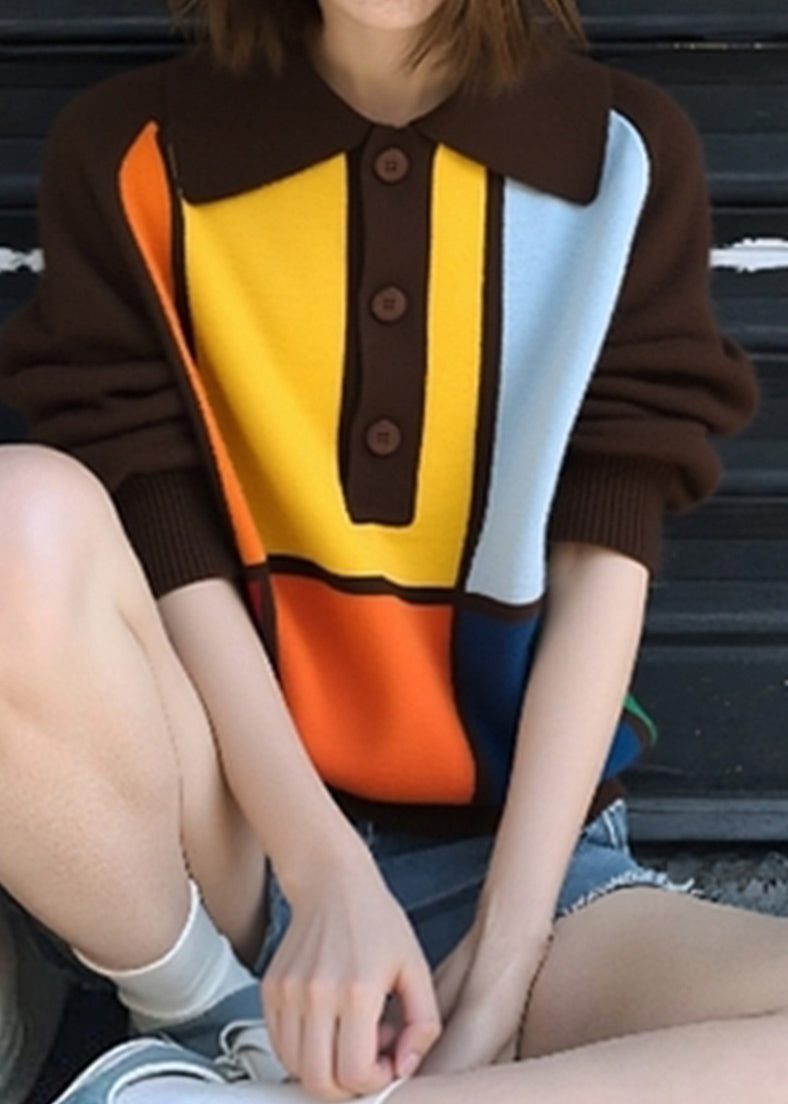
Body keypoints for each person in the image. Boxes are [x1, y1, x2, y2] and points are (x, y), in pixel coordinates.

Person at [0, 0, 785, 1101]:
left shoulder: (617, 156)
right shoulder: (132, 153)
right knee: (16, 516)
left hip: (526, 865)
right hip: (229, 845)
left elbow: (601, 566)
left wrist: (504, 962)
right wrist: (322, 874)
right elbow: (168, 548)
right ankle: (218, 1026)